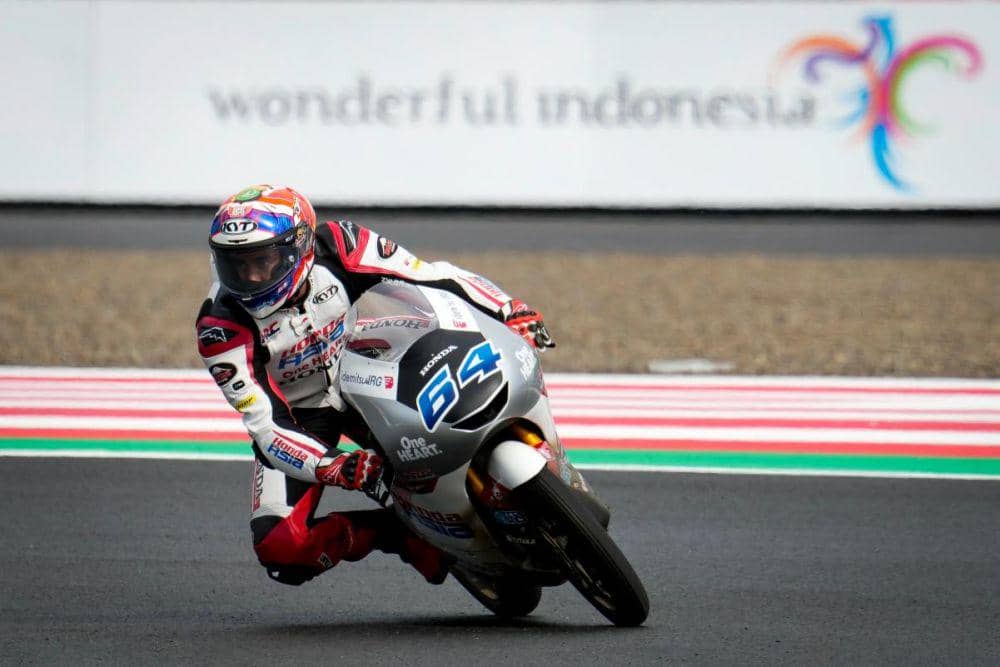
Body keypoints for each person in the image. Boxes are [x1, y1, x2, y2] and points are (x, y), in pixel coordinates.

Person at [196, 184, 554, 586]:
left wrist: (509, 308)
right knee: (281, 548)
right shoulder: (220, 329)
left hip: (368, 363)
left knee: (452, 419)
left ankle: (524, 459)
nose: (251, 277)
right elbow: (266, 427)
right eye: (236, 265)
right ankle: (400, 535)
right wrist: (335, 466)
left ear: (300, 247)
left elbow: (431, 274)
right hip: (301, 417)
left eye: (263, 261)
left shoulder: (341, 245)